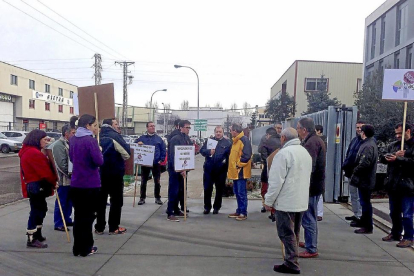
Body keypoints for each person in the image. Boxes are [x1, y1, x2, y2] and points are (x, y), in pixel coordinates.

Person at [264, 127, 312, 274]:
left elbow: (276, 181)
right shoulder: (304, 152)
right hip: (300, 200)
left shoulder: (283, 154)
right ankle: (293, 258)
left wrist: (269, 201)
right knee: (295, 232)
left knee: (285, 232)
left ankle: (291, 263)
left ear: (283, 138)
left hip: (286, 202)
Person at [69, 114, 103, 257]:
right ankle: (86, 247)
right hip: (90, 183)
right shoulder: (91, 141)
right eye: (95, 126)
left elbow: (71, 157)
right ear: (88, 126)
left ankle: (77, 247)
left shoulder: (73, 139)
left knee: (78, 216)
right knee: (88, 217)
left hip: (76, 183)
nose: (97, 129)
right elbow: (99, 161)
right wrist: (100, 151)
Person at [19, 130, 58, 248]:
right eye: (44, 139)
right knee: (37, 211)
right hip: (36, 184)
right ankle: (32, 237)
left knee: (40, 209)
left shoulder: (29, 151)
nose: (46, 142)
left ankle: (37, 234)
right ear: (37, 139)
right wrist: (54, 181)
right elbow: (44, 172)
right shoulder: (33, 153)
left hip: (33, 184)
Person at [380, 123, 414, 247]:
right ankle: (395, 233)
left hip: (408, 185)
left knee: (407, 214)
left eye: (400, 133)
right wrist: (388, 157)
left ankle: (409, 236)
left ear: (408, 131)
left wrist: (399, 158)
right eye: (397, 134)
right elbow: (383, 156)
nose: (398, 136)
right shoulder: (394, 146)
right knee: (394, 212)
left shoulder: (412, 146)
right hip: (394, 183)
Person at [95, 118, 130, 235]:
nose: (117, 126)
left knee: (100, 201)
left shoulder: (96, 136)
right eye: (116, 124)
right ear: (111, 125)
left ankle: (99, 227)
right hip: (114, 172)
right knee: (116, 201)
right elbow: (127, 153)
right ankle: (113, 227)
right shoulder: (115, 136)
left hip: (99, 173)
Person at [296, 117, 326, 258]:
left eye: (298, 128)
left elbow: (309, 166)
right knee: (309, 216)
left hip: (311, 186)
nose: (297, 131)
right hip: (315, 184)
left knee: (308, 217)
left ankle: (312, 247)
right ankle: (309, 242)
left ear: (304, 129)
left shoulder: (312, 143)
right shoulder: (314, 140)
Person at [350, 124, 378, 235]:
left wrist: (355, 170)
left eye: (361, 131)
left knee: (365, 203)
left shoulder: (368, 146)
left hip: (365, 180)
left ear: (364, 133)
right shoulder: (368, 144)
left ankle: (368, 226)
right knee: (364, 202)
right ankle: (364, 222)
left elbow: (365, 163)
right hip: (364, 179)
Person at [51, 118, 76, 232]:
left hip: (71, 179)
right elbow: (61, 164)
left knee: (69, 201)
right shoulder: (59, 145)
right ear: (66, 134)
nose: (74, 135)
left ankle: (67, 218)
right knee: (61, 201)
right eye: (73, 133)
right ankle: (59, 222)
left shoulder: (70, 144)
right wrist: (70, 173)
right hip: (63, 179)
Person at [199, 126, 231, 214]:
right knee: (207, 189)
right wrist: (208, 152)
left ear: (223, 133)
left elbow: (229, 156)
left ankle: (216, 207)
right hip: (209, 169)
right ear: (214, 132)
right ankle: (207, 207)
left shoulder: (227, 143)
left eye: (220, 132)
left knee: (219, 189)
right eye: (217, 132)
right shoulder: (209, 141)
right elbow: (201, 151)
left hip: (221, 170)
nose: (218, 133)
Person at [135, 121, 167, 205]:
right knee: (143, 181)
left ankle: (157, 197)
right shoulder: (142, 138)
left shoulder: (158, 139)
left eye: (153, 126)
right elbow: (134, 146)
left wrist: (161, 159)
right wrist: (138, 144)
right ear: (147, 128)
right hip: (145, 163)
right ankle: (142, 198)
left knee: (157, 181)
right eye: (151, 126)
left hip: (156, 162)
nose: (153, 127)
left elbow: (163, 149)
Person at [166, 120, 192, 222]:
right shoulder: (175, 139)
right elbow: (173, 155)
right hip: (175, 170)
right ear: (181, 127)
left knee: (181, 191)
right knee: (174, 191)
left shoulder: (187, 138)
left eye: (189, 128)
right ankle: (170, 212)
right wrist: (180, 169)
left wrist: (187, 167)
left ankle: (176, 209)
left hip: (183, 169)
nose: (188, 129)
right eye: (187, 127)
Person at [228, 124, 252, 221]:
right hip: (235, 172)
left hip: (241, 172)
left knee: (241, 193)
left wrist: (238, 165)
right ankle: (239, 210)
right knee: (237, 192)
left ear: (235, 131)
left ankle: (243, 212)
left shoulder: (243, 140)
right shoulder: (235, 141)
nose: (230, 132)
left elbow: (247, 155)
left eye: (231, 130)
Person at [342, 121, 365, 223]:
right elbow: (349, 154)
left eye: (361, 128)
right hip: (351, 172)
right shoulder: (354, 140)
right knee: (353, 195)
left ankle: (360, 216)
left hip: (359, 174)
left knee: (359, 196)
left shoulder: (367, 142)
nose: (359, 129)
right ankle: (356, 214)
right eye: (357, 127)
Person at [260, 127, 281, 220]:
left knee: (265, 189)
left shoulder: (266, 142)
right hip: (280, 170)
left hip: (268, 170)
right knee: (277, 190)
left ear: (268, 135)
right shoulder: (282, 141)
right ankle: (275, 212)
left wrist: (267, 162)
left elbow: (262, 153)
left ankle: (268, 206)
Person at [315, 125, 326, 222]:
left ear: (319, 131)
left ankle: (319, 213)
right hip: (319, 170)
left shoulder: (320, 142)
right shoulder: (321, 141)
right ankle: (318, 213)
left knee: (318, 193)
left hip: (318, 171)